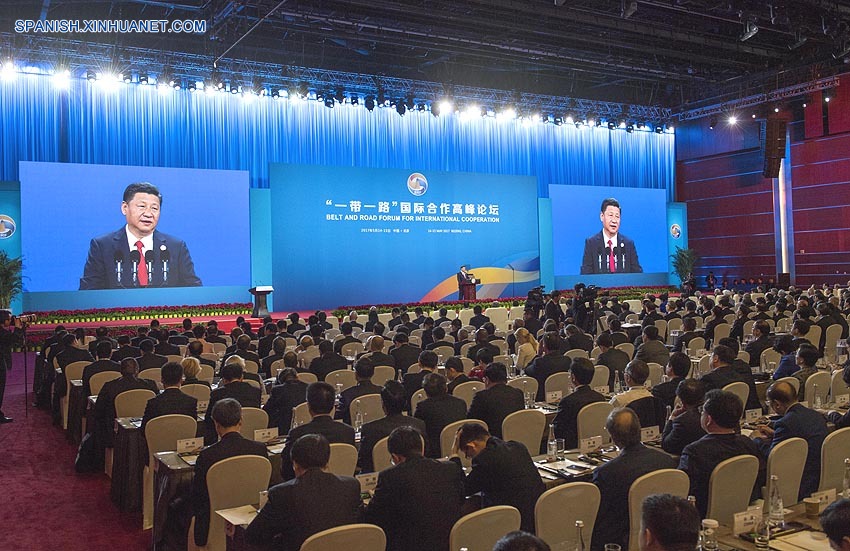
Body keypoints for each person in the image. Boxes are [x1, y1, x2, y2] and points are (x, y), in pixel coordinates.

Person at [244, 434, 360, 551]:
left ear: (295, 464)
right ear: (327, 462)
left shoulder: (282, 493)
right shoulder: (351, 485)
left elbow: (253, 536)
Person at [79, 182, 201, 289]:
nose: (148, 214)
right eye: (142, 206)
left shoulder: (176, 247)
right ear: (124, 208)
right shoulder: (102, 246)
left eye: (154, 208)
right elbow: (89, 293)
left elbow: (194, 290)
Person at [591, 408, 678, 551]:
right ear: (639, 430)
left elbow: (599, 515)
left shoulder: (606, 473)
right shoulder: (667, 461)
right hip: (666, 532)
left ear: (612, 436)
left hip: (621, 539)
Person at [365, 426, 464, 550]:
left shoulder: (390, 476)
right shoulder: (450, 468)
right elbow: (460, 501)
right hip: (449, 543)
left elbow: (373, 516)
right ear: (422, 449)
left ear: (396, 458)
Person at [192, 399, 268, 548]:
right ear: (241, 421)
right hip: (251, 516)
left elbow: (198, 496)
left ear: (216, 425)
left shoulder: (207, 455)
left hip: (212, 520)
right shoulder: (259, 450)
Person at [678, 389, 765, 518]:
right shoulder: (747, 443)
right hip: (744, 507)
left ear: (708, 419)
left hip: (704, 514)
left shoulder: (695, 452)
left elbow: (684, 491)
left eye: (702, 412)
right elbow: (761, 477)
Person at [451, 422, 545, 533]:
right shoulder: (518, 446)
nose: (468, 457)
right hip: (537, 519)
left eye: (467, 453)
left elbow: (464, 489)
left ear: (472, 445)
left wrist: (454, 456)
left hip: (509, 526)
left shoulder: (485, 459)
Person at [751, 380, 828, 500]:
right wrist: (776, 434)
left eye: (769, 403)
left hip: (800, 479)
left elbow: (773, 456)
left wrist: (757, 439)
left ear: (777, 404)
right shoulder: (815, 415)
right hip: (819, 473)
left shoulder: (785, 423)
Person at [280, 382, 355, 480]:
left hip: (304, 491)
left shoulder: (297, 434)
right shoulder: (348, 431)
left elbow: (286, 471)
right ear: (333, 406)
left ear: (308, 406)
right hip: (342, 487)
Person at [357, 382, 426, 472]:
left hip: (378, 478)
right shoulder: (419, 425)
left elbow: (363, 462)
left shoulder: (369, 429)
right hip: (417, 474)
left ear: (383, 405)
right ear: (405, 403)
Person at [94, 357, 159, 447]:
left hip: (115, 431)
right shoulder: (150, 385)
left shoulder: (109, 387)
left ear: (120, 371)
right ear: (137, 370)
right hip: (145, 431)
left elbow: (98, 410)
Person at [552, 357, 607, 449]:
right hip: (598, 445)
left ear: (573, 377)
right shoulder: (600, 398)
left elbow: (556, 430)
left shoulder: (568, 401)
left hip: (573, 447)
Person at [581, 197, 642, 274]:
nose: (614, 220)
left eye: (617, 216)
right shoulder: (591, 243)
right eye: (610, 215)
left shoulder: (628, 244)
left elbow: (638, 274)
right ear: (602, 216)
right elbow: (586, 273)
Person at [204, 361, 261, 444]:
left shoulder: (217, 394)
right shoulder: (255, 391)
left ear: (224, 380)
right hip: (253, 435)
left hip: (225, 436)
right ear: (242, 377)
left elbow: (209, 418)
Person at [414, 373, 467, 458]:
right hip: (461, 448)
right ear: (446, 388)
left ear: (426, 392)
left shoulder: (423, 407)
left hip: (435, 453)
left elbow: (417, 430)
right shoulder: (461, 403)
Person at [467, 362, 524, 439]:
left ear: (487, 380)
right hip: (516, 438)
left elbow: (471, 421)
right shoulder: (518, 393)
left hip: (492, 442)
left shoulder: (481, 396)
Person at [140, 362, 198, 432]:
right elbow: (193, 427)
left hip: (159, 441)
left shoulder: (153, 403)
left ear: (162, 380)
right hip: (183, 440)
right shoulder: (191, 401)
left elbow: (144, 430)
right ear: (181, 380)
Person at [660, 379, 706, 455]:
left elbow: (666, 445)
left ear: (682, 401)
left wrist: (672, 417)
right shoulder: (713, 412)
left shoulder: (682, 421)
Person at [524, 332, 570, 402]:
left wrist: (538, 355)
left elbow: (527, 370)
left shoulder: (539, 362)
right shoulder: (567, 360)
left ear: (544, 346)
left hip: (542, 398)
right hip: (563, 395)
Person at [337, 357, 382, 425]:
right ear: (373, 373)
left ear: (356, 374)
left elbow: (339, 415)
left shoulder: (347, 395)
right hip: (379, 431)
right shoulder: (382, 392)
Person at [263, 367, 308, 433]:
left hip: (284, 427)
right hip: (306, 424)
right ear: (297, 377)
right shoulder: (307, 387)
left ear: (281, 381)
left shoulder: (277, 390)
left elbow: (267, 410)